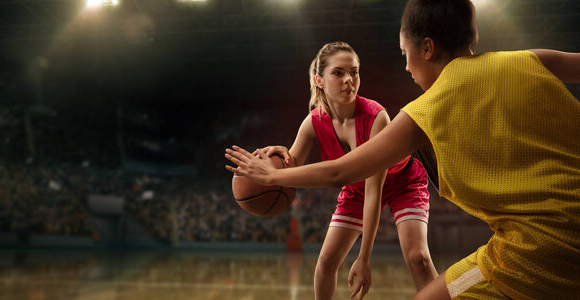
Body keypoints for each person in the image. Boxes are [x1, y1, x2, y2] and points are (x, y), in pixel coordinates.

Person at [225, 0, 580, 299]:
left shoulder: (422, 112)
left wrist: (274, 175)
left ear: (426, 48)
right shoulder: (527, 59)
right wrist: (280, 160)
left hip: (540, 250)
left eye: (405, 53)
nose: (407, 66)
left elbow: (339, 172)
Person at [254, 41, 437, 300]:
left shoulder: (377, 117)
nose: (349, 79)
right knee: (326, 262)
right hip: (357, 187)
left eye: (354, 72)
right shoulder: (313, 122)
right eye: (338, 73)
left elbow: (375, 192)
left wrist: (364, 258)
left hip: (402, 182)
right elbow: (292, 165)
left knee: (418, 257)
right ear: (319, 79)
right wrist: (276, 155)